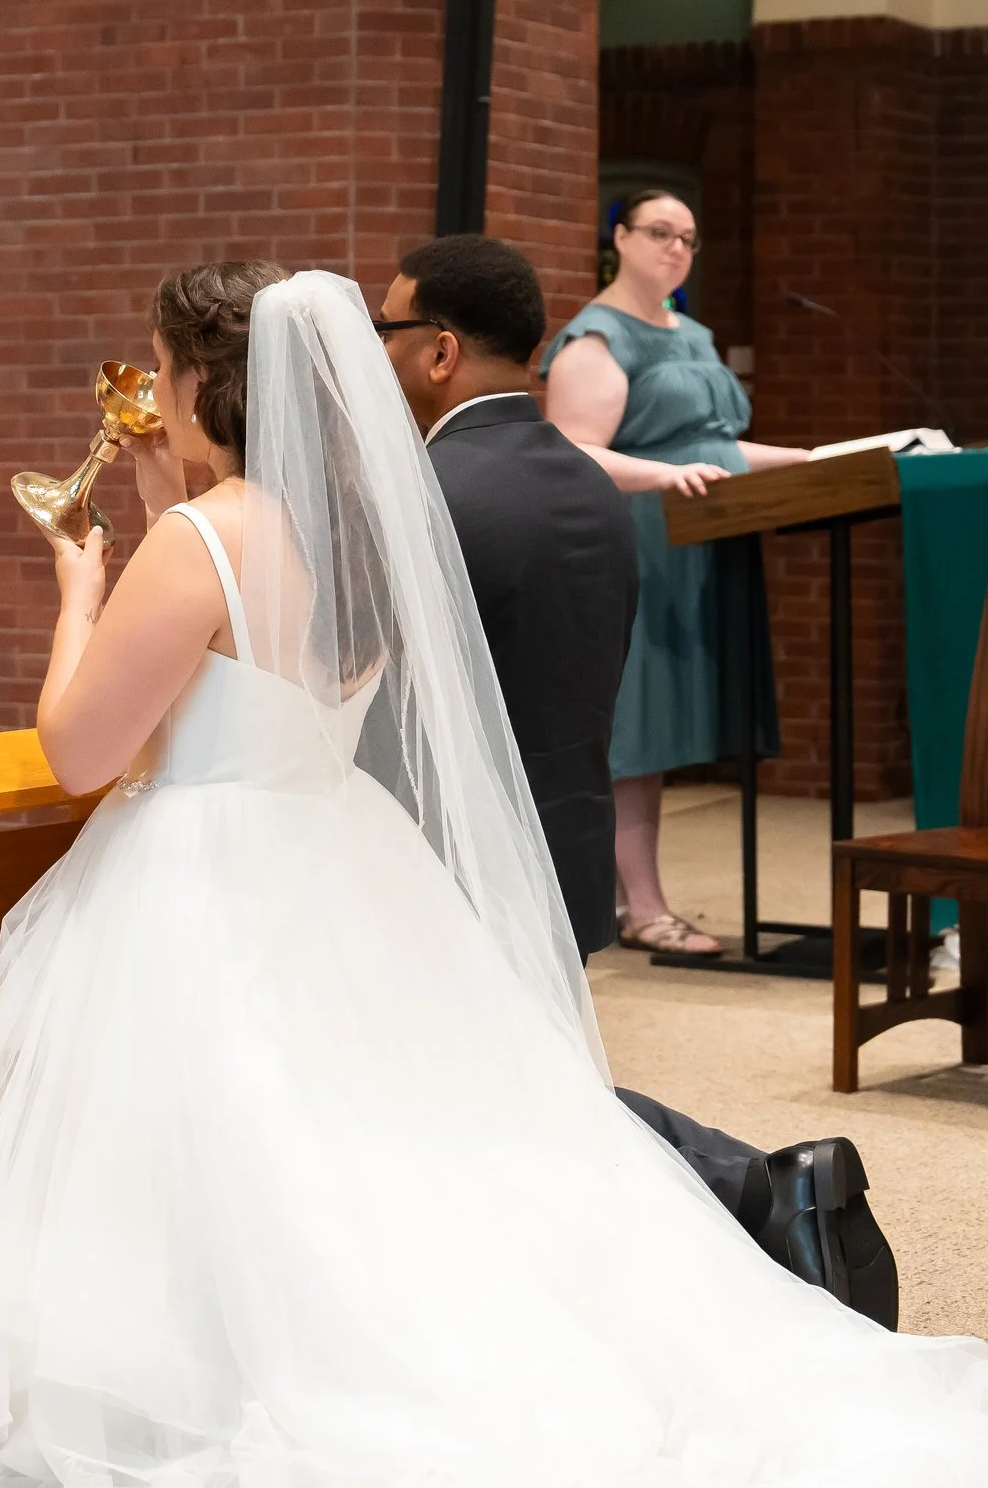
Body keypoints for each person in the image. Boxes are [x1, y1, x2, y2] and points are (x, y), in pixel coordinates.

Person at [0, 267, 988, 1485]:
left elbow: (77, 749)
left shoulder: (196, 541)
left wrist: (78, 594)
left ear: (204, 388)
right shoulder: (356, 535)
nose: (148, 398)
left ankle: (201, 1369)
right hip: (336, 851)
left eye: (159, 374)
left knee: (228, 1134)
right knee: (362, 1139)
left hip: (204, 868)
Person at [382, 231, 895, 1323]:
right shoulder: (586, 485)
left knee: (491, 1099)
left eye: (387, 329)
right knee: (508, 1094)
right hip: (563, 847)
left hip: (448, 854)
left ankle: (756, 1188)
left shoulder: (428, 494)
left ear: (435, 349)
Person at [543, 190, 807, 957]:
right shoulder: (595, 339)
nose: (675, 249)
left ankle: (642, 898)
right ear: (618, 238)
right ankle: (641, 905)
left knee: (662, 732)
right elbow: (574, 452)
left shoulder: (693, 333)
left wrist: (805, 462)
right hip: (640, 544)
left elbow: (712, 446)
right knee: (636, 728)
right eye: (659, 232)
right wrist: (661, 478)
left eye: (688, 237)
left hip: (704, 537)